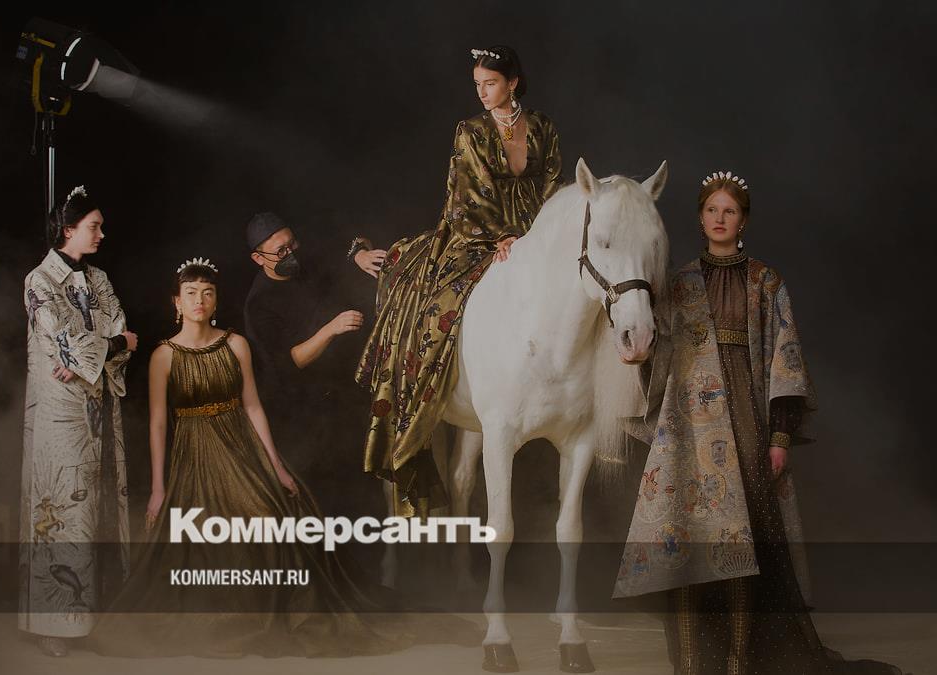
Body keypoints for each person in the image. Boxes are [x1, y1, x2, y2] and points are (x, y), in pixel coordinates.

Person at [89, 259, 476, 657]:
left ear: (216, 300)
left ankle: (273, 612)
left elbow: (253, 407)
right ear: (177, 302)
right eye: (190, 294)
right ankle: (227, 619)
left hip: (241, 446)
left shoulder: (235, 344)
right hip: (195, 455)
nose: (199, 301)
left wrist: (276, 466)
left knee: (273, 514)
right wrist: (158, 489)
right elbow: (157, 423)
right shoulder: (164, 356)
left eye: (207, 293)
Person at [614, 172, 901, 674]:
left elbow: (785, 363)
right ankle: (692, 660)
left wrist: (779, 438)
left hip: (747, 423)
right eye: (711, 210)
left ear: (742, 220)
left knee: (741, 544)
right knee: (688, 542)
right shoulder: (678, 284)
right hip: (690, 431)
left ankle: (739, 661)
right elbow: (656, 356)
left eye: (729, 211)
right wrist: (635, 359)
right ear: (700, 217)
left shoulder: (766, 282)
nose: (719, 219)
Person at [355, 44, 562, 516]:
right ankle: (419, 388)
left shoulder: (544, 127)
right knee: (438, 309)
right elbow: (471, 196)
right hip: (476, 235)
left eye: (490, 83)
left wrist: (537, 237)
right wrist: (501, 237)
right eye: (477, 85)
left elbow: (553, 185)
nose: (482, 92)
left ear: (512, 82)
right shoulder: (470, 130)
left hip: (534, 236)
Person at [19, 185, 138, 657]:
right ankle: (53, 625)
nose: (101, 234)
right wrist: (104, 347)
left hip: (99, 407)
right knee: (61, 509)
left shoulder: (100, 278)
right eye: (94, 226)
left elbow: (117, 328)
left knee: (95, 508)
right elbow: (65, 339)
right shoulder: (39, 280)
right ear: (68, 230)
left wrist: (95, 351)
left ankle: (93, 616)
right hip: (60, 414)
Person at [242, 212, 380, 515]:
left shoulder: (305, 260)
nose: (290, 253)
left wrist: (360, 254)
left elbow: (351, 243)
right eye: (280, 251)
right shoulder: (259, 305)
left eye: (291, 244)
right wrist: (331, 329)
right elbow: (290, 362)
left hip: (345, 395)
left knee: (366, 487)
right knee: (330, 500)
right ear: (258, 258)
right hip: (304, 414)